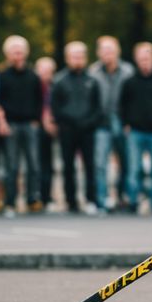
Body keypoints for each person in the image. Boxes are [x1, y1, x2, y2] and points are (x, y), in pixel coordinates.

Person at [51, 42, 102, 214]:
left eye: (80, 56)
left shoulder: (92, 80)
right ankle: (71, 201)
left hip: (87, 130)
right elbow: (55, 107)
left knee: (90, 166)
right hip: (67, 130)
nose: (77, 59)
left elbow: (97, 107)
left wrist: (89, 122)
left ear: (85, 57)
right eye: (74, 56)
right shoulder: (59, 80)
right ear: (67, 58)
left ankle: (90, 200)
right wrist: (67, 123)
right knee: (68, 166)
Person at [120, 42, 152, 216]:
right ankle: (133, 202)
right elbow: (123, 105)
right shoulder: (129, 82)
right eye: (141, 59)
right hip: (135, 131)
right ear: (136, 60)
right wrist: (126, 123)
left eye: (147, 58)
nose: (145, 62)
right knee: (133, 169)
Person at [0, 35, 43, 217]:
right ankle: (10, 203)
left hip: (29, 124)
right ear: (8, 54)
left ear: (26, 53)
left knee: (33, 165)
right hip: (11, 125)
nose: (18, 55)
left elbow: (39, 100)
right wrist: (2, 121)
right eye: (14, 51)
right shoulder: (2, 76)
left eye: (21, 51)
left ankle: (32, 200)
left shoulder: (33, 76)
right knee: (12, 166)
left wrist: (36, 120)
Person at [89, 36, 134, 212]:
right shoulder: (93, 72)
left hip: (123, 122)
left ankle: (122, 196)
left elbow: (133, 99)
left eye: (111, 50)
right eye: (104, 50)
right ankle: (102, 200)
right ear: (99, 53)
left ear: (118, 52)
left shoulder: (128, 71)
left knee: (126, 162)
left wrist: (129, 121)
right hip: (101, 123)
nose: (108, 53)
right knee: (100, 164)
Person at [35, 56, 58, 212]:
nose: (45, 74)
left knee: (48, 165)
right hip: (35, 128)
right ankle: (34, 195)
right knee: (34, 165)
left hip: (51, 130)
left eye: (48, 71)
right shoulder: (31, 85)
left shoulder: (56, 86)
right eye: (42, 70)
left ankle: (46, 196)